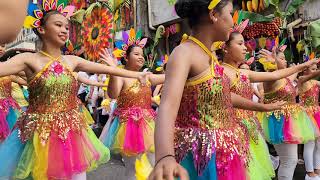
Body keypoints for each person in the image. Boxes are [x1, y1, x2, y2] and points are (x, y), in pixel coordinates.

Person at [0, 1, 150, 179]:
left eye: (66, 27)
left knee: (78, 176)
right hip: (40, 134)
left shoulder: (72, 61)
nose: (65, 30)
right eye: (58, 25)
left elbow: (106, 70)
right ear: (41, 29)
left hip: (72, 132)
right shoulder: (28, 59)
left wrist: (131, 73)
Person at [148, 0, 285, 179]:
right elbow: (167, 106)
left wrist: (262, 107)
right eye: (229, 14)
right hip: (199, 159)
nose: (233, 22)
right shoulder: (184, 53)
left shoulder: (210, 56)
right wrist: (165, 157)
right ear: (213, 15)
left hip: (224, 155)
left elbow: (224, 97)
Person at [220, 30, 319, 179]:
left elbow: (276, 74)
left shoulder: (242, 74)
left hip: (249, 128)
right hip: (231, 130)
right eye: (240, 44)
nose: (246, 48)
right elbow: (228, 97)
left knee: (253, 170)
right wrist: (263, 107)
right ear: (224, 47)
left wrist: (306, 64)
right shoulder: (220, 72)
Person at [99, 29, 165, 179]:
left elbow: (170, 77)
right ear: (126, 57)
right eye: (136, 54)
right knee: (134, 167)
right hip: (129, 128)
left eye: (142, 55)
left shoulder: (148, 76)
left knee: (154, 163)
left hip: (149, 125)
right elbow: (113, 94)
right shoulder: (121, 76)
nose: (141, 57)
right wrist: (113, 70)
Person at [258, 48, 319, 180]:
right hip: (279, 122)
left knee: (290, 160)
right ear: (272, 60)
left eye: (285, 58)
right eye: (281, 58)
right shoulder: (270, 77)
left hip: (290, 120)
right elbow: (286, 73)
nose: (285, 61)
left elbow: (295, 72)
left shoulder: (285, 78)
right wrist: (270, 66)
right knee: (289, 160)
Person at [298, 64, 320, 180]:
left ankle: (317, 169)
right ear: (305, 70)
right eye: (313, 69)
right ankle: (310, 172)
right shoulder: (301, 80)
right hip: (307, 115)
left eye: (316, 69)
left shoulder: (316, 83)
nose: (315, 71)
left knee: (319, 145)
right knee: (310, 144)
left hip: (317, 113)